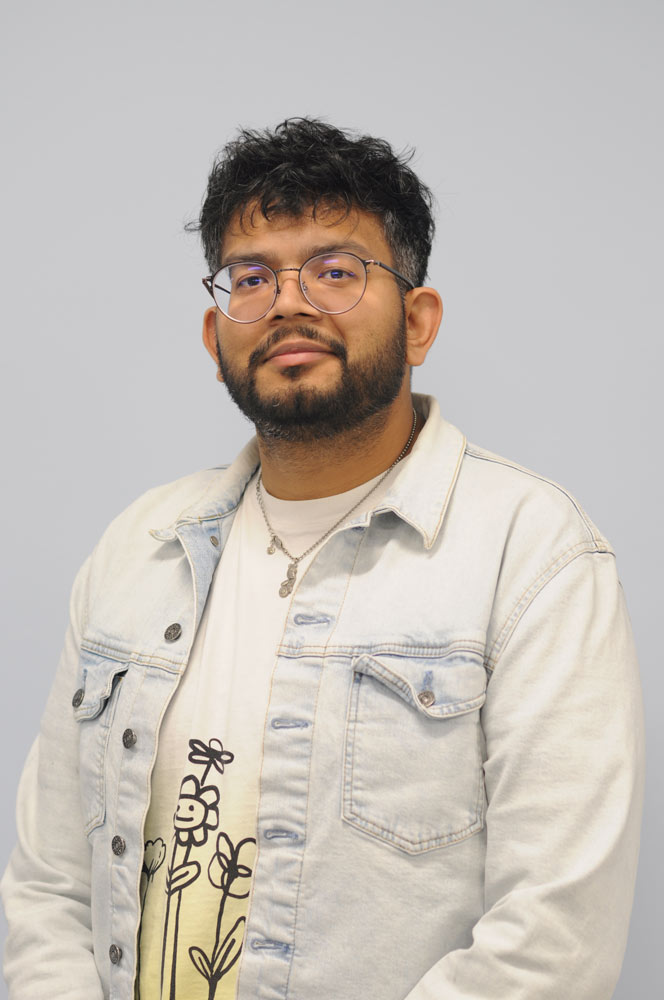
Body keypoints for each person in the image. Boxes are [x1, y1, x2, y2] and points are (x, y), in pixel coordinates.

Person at [1, 118, 644, 1000]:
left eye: (336, 271)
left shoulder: (533, 556)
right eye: (252, 277)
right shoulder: (136, 549)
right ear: (212, 333)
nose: (288, 303)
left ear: (419, 321)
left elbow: (553, 947)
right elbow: (47, 889)